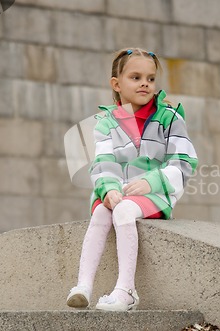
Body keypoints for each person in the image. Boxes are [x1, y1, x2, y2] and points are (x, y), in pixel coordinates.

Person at [66, 47, 198, 311]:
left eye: (150, 78)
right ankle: (83, 286)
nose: (145, 84)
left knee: (124, 210)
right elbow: (103, 163)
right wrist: (108, 190)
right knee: (102, 213)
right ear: (116, 84)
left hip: (158, 193)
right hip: (122, 192)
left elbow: (184, 162)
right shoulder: (106, 123)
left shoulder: (169, 118)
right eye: (135, 78)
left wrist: (152, 181)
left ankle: (126, 291)